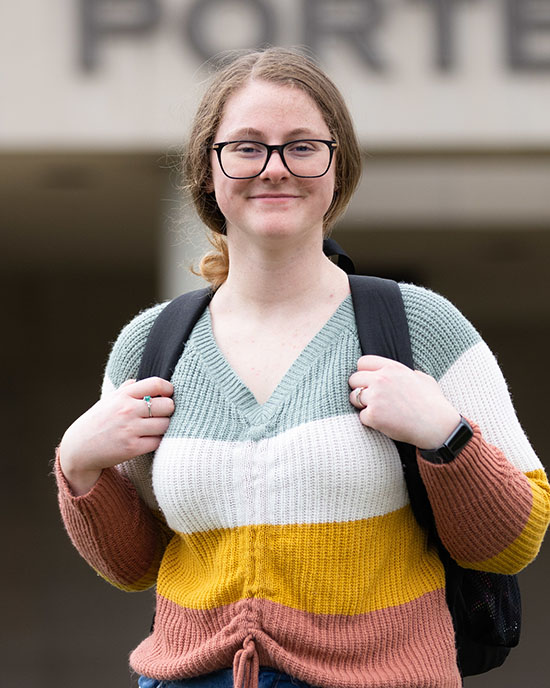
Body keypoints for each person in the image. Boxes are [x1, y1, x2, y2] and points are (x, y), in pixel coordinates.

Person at [55, 47, 550, 688]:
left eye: (302, 146)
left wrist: (445, 436)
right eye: (247, 146)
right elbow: (135, 566)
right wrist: (77, 465)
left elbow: (514, 541)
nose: (275, 168)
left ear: (336, 167)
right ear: (209, 169)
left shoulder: (419, 325)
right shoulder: (151, 344)